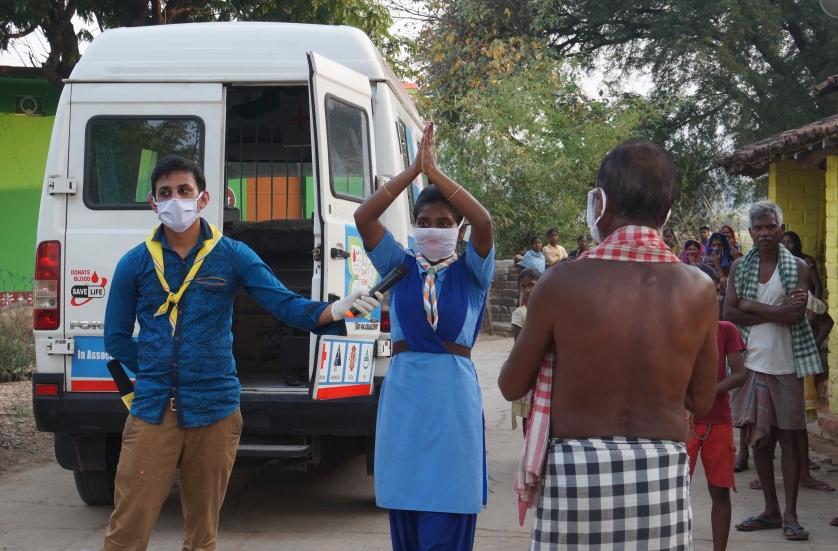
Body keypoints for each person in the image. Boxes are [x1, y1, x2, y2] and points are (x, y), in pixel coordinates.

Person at [102, 155, 380, 550]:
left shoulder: (232, 255)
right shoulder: (134, 263)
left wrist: (335, 309)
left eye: (184, 191)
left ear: (203, 199)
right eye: (166, 193)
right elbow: (115, 338)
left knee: (203, 535)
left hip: (215, 409)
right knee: (126, 531)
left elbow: (285, 305)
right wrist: (157, 371)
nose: (175, 200)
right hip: (152, 411)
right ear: (153, 203)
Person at [499, 140, 718, 549]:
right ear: (667, 211)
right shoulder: (700, 289)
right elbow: (702, 400)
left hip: (576, 475)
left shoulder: (560, 282)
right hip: (661, 475)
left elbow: (512, 386)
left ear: (600, 203)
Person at [354, 122, 494, 551]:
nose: (433, 229)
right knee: (409, 510)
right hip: (405, 399)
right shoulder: (400, 265)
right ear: (413, 226)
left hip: (453, 402)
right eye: (423, 221)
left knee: (448, 506)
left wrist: (436, 175)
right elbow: (365, 216)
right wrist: (413, 172)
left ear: (458, 229)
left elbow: (484, 219)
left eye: (444, 222)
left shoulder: (472, 272)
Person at [725, 201, 822, 542]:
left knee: (790, 440)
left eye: (770, 226)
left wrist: (750, 305)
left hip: (785, 366)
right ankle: (770, 510)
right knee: (759, 441)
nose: (764, 233)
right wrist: (771, 310)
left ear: (781, 228)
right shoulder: (740, 266)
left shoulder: (798, 267)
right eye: (758, 228)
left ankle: (791, 514)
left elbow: (796, 316)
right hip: (752, 364)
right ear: (749, 232)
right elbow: (730, 313)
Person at [689, 264, 747, 551]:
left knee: (720, 491)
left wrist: (708, 392)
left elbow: (739, 373)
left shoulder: (726, 330)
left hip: (718, 420)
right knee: (672, 491)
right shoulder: (675, 327)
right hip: (682, 420)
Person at [510, 268, 541, 433]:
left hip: (546, 371)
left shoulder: (550, 309)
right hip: (529, 372)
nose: (527, 290)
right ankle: (528, 453)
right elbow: (519, 347)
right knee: (528, 417)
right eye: (524, 287)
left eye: (531, 285)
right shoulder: (520, 314)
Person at [782, 231, 822, 299]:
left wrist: (814, 305)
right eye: (783, 243)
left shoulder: (806, 261)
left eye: (790, 243)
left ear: (796, 244)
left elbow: (818, 286)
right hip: (788, 304)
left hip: (806, 303)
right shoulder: (782, 261)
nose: (786, 246)